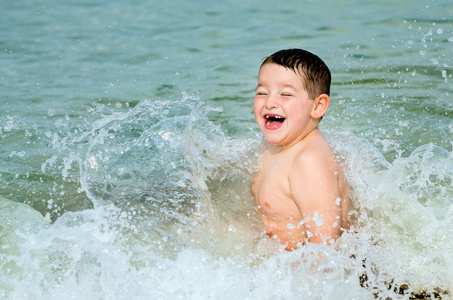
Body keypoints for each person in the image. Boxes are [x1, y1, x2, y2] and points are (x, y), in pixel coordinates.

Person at [251, 49, 351, 251]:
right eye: (262, 92)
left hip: (334, 276)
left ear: (318, 106)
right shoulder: (273, 146)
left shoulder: (309, 161)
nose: (269, 102)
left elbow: (327, 251)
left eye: (286, 94)